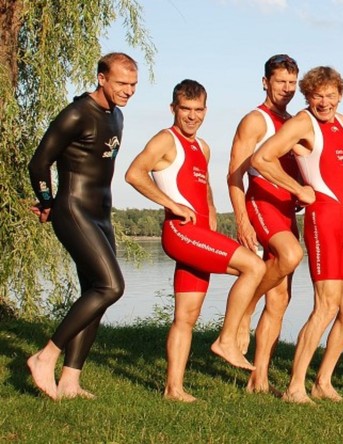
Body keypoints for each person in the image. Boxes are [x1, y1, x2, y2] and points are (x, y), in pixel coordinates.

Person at [125, 80, 266, 402]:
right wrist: (171, 205)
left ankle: (173, 389)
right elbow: (134, 173)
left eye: (198, 110)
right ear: (173, 109)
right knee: (254, 267)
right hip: (180, 233)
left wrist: (213, 211)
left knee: (186, 317)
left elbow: (202, 187)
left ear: (205, 109)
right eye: (185, 109)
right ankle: (227, 339)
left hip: (200, 233)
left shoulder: (202, 147)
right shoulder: (166, 139)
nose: (192, 116)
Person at [250, 66, 343, 404]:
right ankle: (295, 386)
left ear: (340, 94)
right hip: (325, 222)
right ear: (308, 96)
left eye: (331, 95)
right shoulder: (302, 123)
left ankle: (323, 382)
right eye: (318, 96)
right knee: (326, 305)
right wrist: (298, 188)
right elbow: (262, 158)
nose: (325, 102)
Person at [26, 53, 138, 400]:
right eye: (121, 83)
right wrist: (47, 203)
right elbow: (39, 162)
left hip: (101, 214)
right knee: (110, 286)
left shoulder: (116, 116)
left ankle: (70, 380)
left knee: (96, 294)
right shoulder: (77, 113)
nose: (128, 91)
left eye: (133, 85)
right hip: (73, 209)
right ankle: (46, 356)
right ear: (102, 78)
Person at [227, 54, 303, 394]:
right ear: (265, 82)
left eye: (292, 83)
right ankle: (244, 309)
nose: (286, 89)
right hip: (261, 204)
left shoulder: (294, 121)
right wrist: (242, 219)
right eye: (280, 82)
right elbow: (234, 174)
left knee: (281, 299)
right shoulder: (255, 121)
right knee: (290, 255)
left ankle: (258, 377)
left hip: (286, 210)